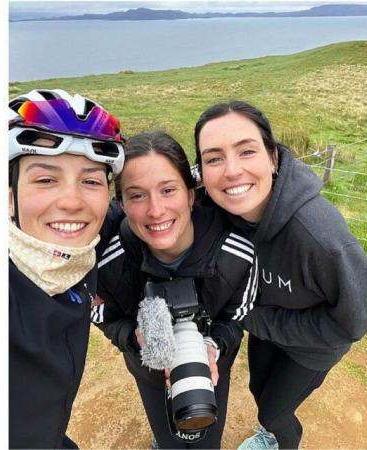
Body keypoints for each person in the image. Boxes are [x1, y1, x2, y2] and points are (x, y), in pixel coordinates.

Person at [194, 101, 367, 449]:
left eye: (246, 151)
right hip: (267, 330)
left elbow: (361, 320)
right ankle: (271, 433)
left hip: (314, 347)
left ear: (273, 158)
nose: (231, 171)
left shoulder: (320, 238)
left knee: (273, 412)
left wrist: (252, 317)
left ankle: (281, 440)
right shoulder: (220, 215)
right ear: (201, 172)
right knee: (258, 389)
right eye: (214, 158)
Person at [94, 131, 258, 449]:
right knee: (169, 441)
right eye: (137, 195)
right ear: (122, 204)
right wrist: (134, 337)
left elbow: (240, 315)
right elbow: (102, 315)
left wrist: (212, 346)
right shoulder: (108, 263)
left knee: (207, 443)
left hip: (211, 370)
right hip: (149, 374)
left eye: (168, 190)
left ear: (191, 194)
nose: (156, 210)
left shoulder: (237, 253)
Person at [8, 88, 126, 449]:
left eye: (91, 181)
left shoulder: (80, 253)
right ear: (7, 196)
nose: (73, 202)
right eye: (46, 179)